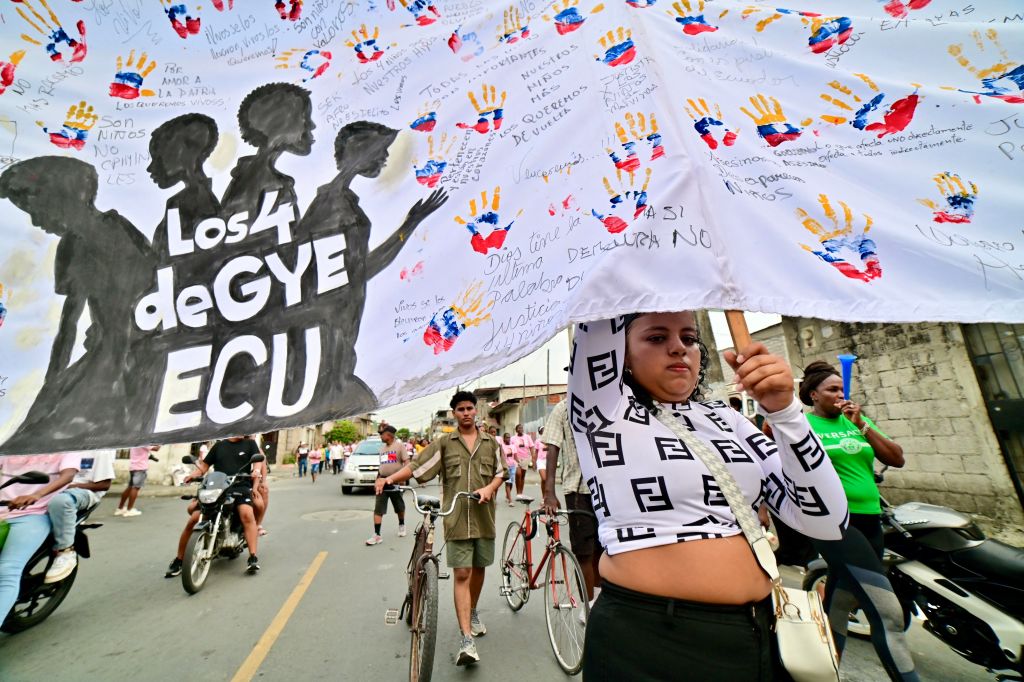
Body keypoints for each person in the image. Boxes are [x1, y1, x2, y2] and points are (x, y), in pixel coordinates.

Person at [570, 312, 849, 680]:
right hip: (650, 642)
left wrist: (786, 414)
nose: (678, 348)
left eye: (689, 338)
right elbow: (606, 295)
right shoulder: (602, 412)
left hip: (756, 634)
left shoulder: (726, 419)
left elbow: (826, 520)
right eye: (656, 338)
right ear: (619, 354)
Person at [792, 360, 918, 682]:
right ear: (813, 395)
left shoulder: (855, 423)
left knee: (841, 600)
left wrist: (862, 424)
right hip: (834, 522)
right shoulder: (804, 427)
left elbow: (896, 458)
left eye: (842, 389)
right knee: (886, 610)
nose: (840, 395)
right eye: (832, 389)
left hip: (871, 519)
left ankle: (822, 672)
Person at [376, 390, 507, 666]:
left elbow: (501, 472)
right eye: (460, 409)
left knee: (479, 568)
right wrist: (387, 481)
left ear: (476, 411)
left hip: (485, 519)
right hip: (456, 518)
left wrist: (490, 488)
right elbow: (416, 466)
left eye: (470, 408)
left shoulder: (490, 443)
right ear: (455, 413)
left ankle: (471, 611)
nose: (466, 413)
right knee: (462, 572)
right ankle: (466, 639)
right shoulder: (445, 443)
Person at [166, 436, 263, 577]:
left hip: (240, 484)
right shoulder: (219, 446)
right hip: (217, 486)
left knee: (246, 513)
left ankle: (252, 557)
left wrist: (255, 471)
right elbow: (204, 467)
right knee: (194, 519)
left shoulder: (249, 444)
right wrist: (193, 475)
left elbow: (258, 464)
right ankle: (179, 560)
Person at [1, 453, 79, 623]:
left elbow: (68, 475)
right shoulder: (10, 445)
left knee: (7, 570)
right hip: (4, 510)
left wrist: (37, 495)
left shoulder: (66, 448)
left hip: (32, 514)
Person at [541, 400, 602, 604]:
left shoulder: (612, 399)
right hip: (579, 489)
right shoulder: (563, 408)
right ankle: (589, 606)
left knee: (608, 549)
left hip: (610, 488)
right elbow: (552, 448)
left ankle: (604, 603)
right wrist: (549, 492)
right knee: (584, 551)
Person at [45, 449, 115, 583]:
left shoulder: (100, 452)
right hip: (55, 490)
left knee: (61, 501)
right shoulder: (58, 449)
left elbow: (105, 485)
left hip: (83, 493)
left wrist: (74, 485)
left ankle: (65, 550)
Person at [366, 426, 411, 545]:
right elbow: (381, 467)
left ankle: (401, 524)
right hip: (382, 482)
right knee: (378, 508)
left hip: (396, 481)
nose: (380, 436)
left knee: (399, 506)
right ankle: (377, 535)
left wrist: (403, 478)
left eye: (382, 434)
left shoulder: (400, 446)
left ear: (389, 435)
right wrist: (377, 480)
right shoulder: (382, 449)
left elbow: (407, 463)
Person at [116, 445, 160, 517]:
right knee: (135, 488)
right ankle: (129, 510)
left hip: (133, 467)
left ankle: (120, 508)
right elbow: (156, 448)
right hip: (140, 468)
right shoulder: (144, 442)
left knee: (130, 487)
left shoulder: (136, 442)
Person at [509, 423, 534, 498]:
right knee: (518, 474)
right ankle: (518, 493)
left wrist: (532, 457)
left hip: (526, 458)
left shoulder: (527, 437)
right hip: (516, 458)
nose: (520, 429)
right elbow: (510, 447)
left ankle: (521, 493)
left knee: (522, 476)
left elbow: (531, 447)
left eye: (521, 428)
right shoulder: (513, 438)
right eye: (519, 428)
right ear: (516, 430)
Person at [500, 432, 516, 506]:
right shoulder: (502, 446)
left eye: (509, 437)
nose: (508, 439)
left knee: (511, 483)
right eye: (507, 437)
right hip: (506, 467)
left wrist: (519, 462)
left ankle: (507, 496)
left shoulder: (513, 446)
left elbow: (515, 456)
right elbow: (502, 456)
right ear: (504, 438)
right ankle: (510, 500)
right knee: (507, 483)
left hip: (513, 466)